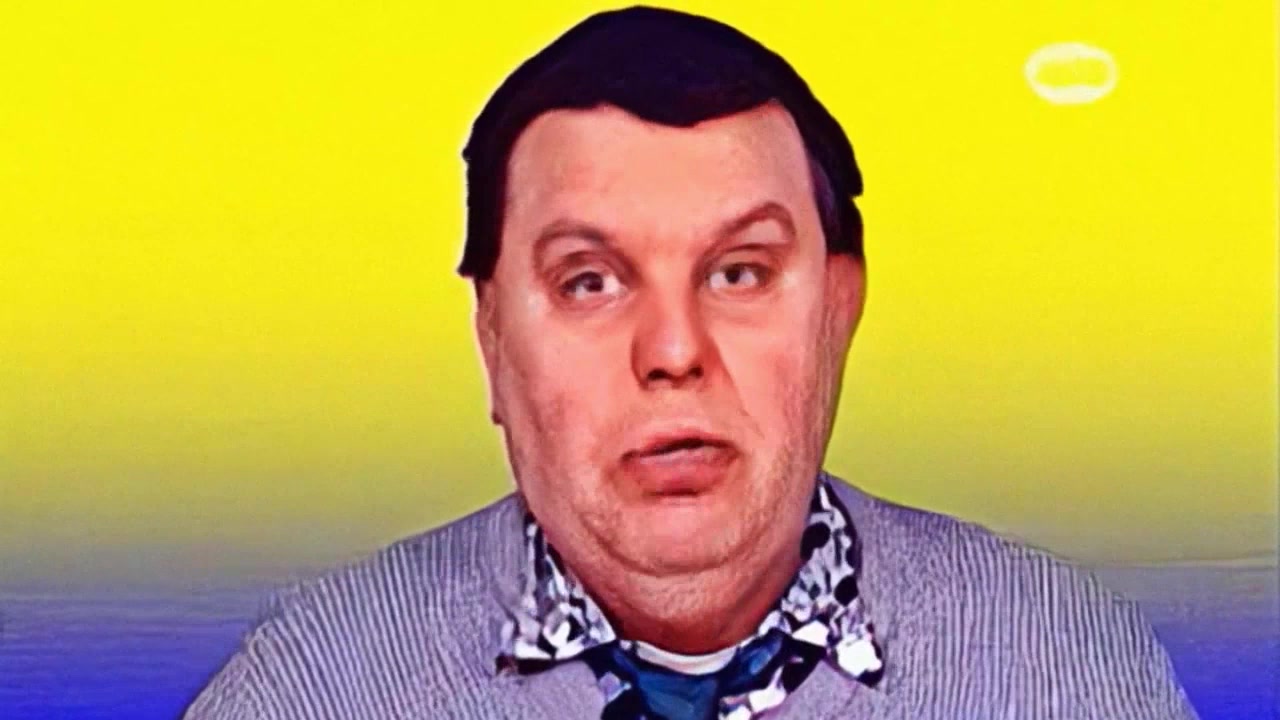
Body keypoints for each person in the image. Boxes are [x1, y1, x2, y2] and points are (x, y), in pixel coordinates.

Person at [183, 6, 1198, 719]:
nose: (673, 351)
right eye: (589, 281)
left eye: (739, 272)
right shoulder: (311, 688)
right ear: (491, 338)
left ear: (838, 309)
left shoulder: (1063, 666)